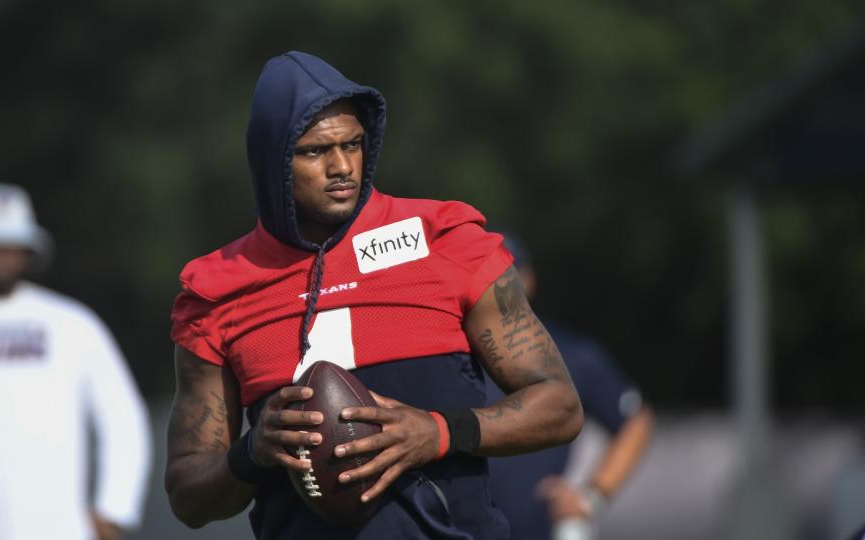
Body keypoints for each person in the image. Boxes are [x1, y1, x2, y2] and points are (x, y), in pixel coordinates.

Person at [165, 51, 584, 539]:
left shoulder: (446, 240)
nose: (342, 166)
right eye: (316, 151)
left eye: (353, 144)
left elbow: (560, 405)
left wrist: (439, 433)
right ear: (272, 157)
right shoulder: (218, 292)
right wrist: (253, 451)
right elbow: (187, 497)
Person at [0, 184, 152, 540]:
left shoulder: (72, 324)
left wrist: (114, 510)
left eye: (12, 244)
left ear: (29, 251)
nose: (3, 253)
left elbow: (122, 418)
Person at [486, 233, 653, 540]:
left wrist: (592, 496)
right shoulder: (451, 354)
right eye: (487, 274)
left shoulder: (569, 354)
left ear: (528, 279)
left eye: (507, 274)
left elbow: (635, 421)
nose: (498, 285)